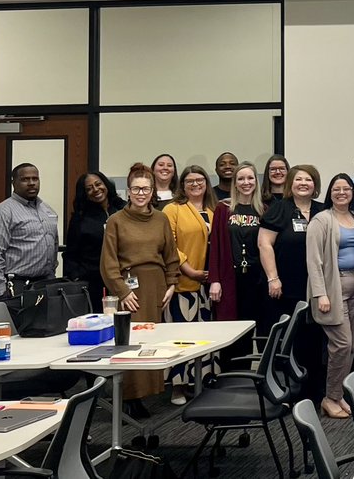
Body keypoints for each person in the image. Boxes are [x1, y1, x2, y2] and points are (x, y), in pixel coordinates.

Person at [100, 163, 180, 417]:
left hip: (156, 285)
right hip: (129, 288)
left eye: (146, 188)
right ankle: (128, 398)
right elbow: (108, 262)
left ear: (153, 190)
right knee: (130, 341)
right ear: (128, 190)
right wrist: (122, 291)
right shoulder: (116, 221)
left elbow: (170, 255)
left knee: (151, 340)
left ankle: (145, 394)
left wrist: (172, 284)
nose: (141, 193)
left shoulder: (161, 218)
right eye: (136, 188)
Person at [306, 174, 354, 419]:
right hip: (333, 289)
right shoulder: (321, 220)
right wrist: (320, 293)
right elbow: (313, 261)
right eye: (336, 189)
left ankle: (338, 394)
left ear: (353, 193)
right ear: (330, 193)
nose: (342, 192)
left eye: (346, 189)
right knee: (341, 344)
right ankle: (329, 397)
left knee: (350, 346)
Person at [163, 165, 218, 405]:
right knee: (181, 337)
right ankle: (177, 386)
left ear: (207, 183)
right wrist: (190, 270)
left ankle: (201, 382)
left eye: (200, 180)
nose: (195, 184)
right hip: (184, 283)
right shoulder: (173, 209)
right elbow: (170, 245)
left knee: (204, 336)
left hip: (208, 285)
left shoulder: (215, 210)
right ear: (182, 185)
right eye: (189, 181)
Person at [259, 164, 325, 339]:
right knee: (286, 337)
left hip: (315, 287)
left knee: (312, 339)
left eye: (308, 179)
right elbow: (264, 244)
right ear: (290, 183)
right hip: (283, 288)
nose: (303, 183)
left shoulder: (324, 210)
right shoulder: (279, 209)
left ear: (315, 185)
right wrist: (273, 278)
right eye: (299, 179)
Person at [208, 162, 266, 361]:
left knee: (253, 326)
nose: (246, 182)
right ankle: (229, 375)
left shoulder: (263, 211)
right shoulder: (223, 209)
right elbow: (214, 246)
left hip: (256, 279)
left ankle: (249, 374)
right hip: (230, 278)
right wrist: (214, 280)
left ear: (256, 182)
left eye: (250, 178)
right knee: (231, 327)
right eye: (241, 178)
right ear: (234, 183)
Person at [0, 163, 60, 301]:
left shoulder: (47, 211)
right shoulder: (1, 213)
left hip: (43, 284)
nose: (31, 183)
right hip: (13, 286)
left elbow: (54, 246)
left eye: (35, 179)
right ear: (14, 183)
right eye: (25, 179)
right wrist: (0, 291)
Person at [65, 171, 127, 311]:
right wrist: (78, 278)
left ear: (106, 184)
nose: (95, 189)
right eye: (89, 188)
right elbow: (71, 254)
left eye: (98, 184)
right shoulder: (80, 219)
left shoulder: (123, 209)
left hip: (123, 278)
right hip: (93, 283)